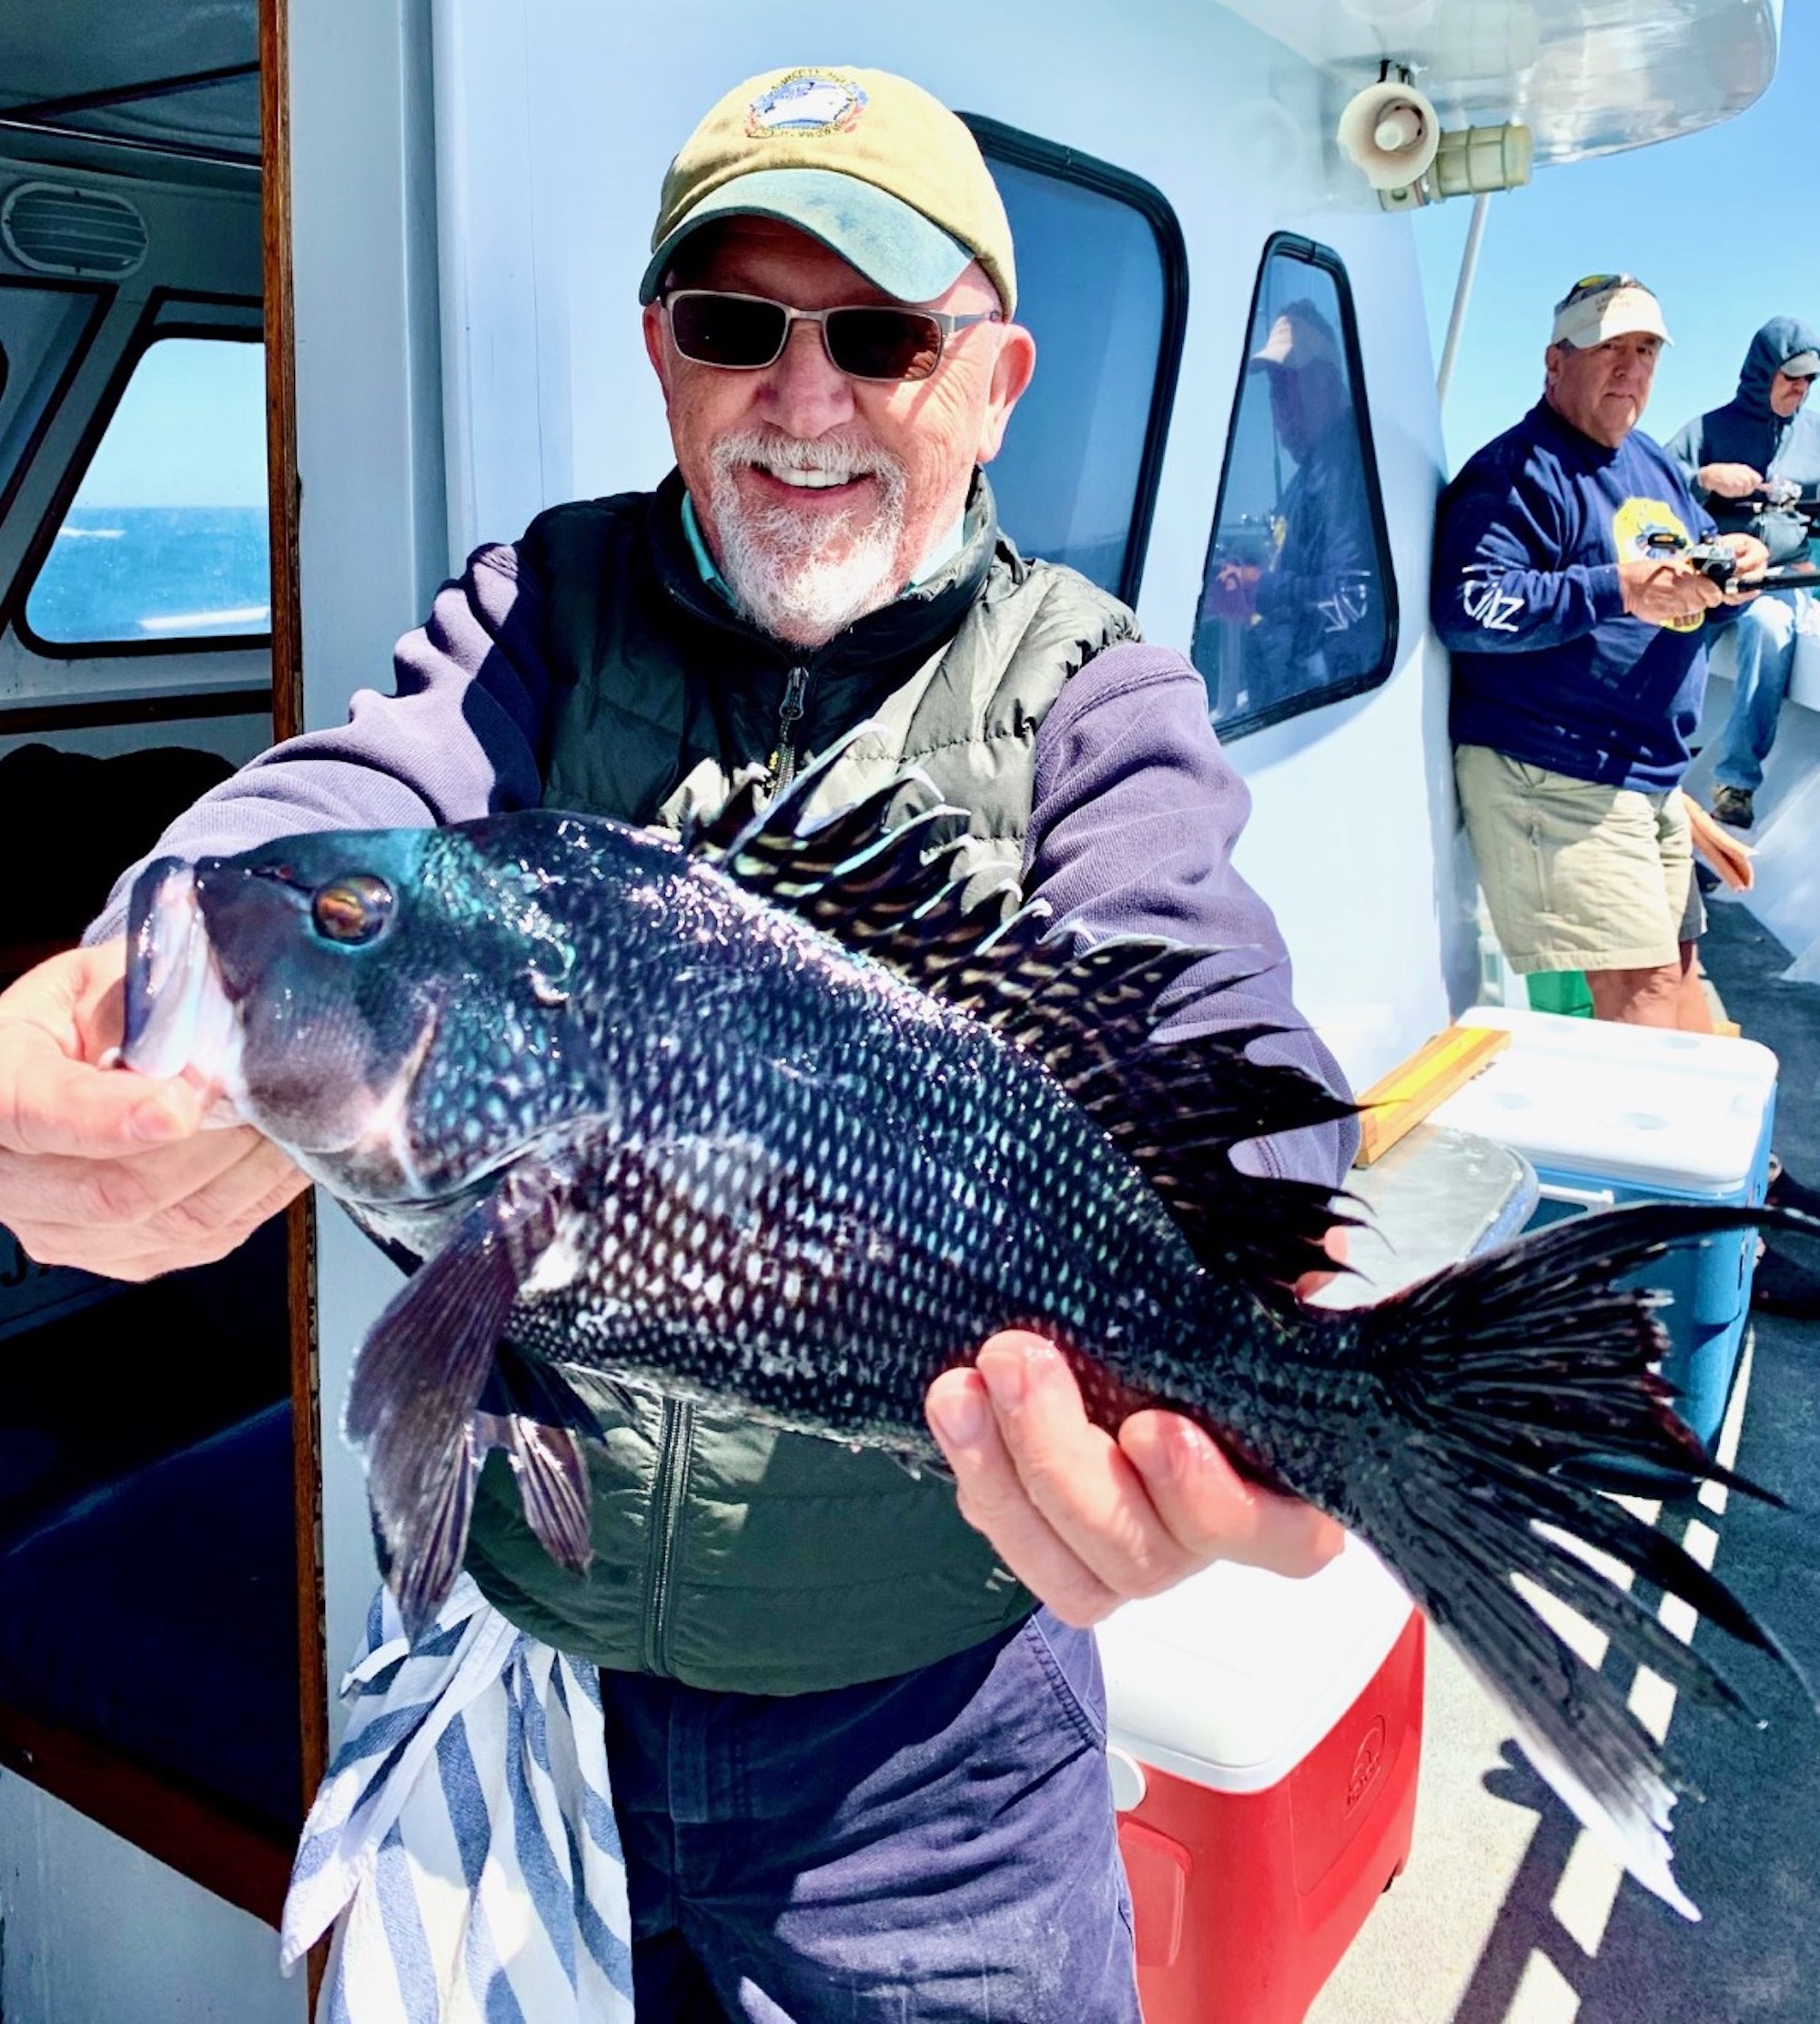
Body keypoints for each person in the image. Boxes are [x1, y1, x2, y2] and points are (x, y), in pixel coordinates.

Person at [0, 66, 1355, 2022]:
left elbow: (1203, 1005)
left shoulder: (1093, 691)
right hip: (543, 1681)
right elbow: (349, 803)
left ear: (993, 384)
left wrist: (1285, 1305)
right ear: (664, 355)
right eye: (737, 324)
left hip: (933, 1754)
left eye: (881, 336)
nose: (803, 395)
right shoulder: (543, 605)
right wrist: (137, 943)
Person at [1433, 272, 1768, 1029]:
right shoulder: (1514, 472)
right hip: (1558, 774)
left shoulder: (1653, 463)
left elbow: (1691, 568)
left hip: (1649, 776)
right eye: (1608, 346)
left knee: (1680, 978)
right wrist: (1617, 589)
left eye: (1645, 350)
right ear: (1556, 361)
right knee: (1642, 996)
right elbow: (1468, 607)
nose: (1630, 367)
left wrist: (1735, 570)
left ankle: (1710, 1112)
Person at [1666, 315, 1820, 830]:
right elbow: (1649, 489)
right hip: (1711, 578)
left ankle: (1736, 785)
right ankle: (1655, 758)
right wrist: (1703, 479)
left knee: (1768, 626)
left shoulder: (1816, 437)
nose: (1801, 388)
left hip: (1779, 583)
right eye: (1791, 377)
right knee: (1673, 630)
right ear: (1762, 373)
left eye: (1810, 379)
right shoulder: (1707, 430)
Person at [1195, 298, 1380, 716]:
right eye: (1273, 389)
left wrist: (1256, 589)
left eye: (1288, 385)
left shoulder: (1347, 469)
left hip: (1322, 718)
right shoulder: (1312, 476)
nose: (1278, 406)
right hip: (1288, 711)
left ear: (1328, 383)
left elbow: (1356, 605)